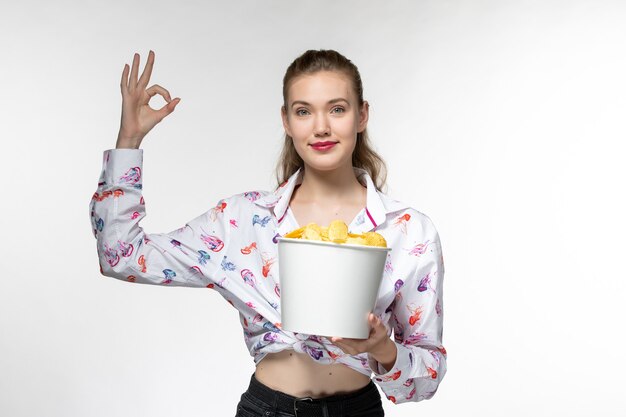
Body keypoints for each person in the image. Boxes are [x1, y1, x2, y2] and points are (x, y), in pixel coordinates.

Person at [90, 49, 447, 416]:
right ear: (287, 121)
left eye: (337, 109)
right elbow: (121, 255)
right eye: (303, 111)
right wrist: (129, 140)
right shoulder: (242, 221)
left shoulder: (408, 231)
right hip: (268, 410)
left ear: (362, 115)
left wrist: (381, 347)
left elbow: (427, 378)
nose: (321, 126)